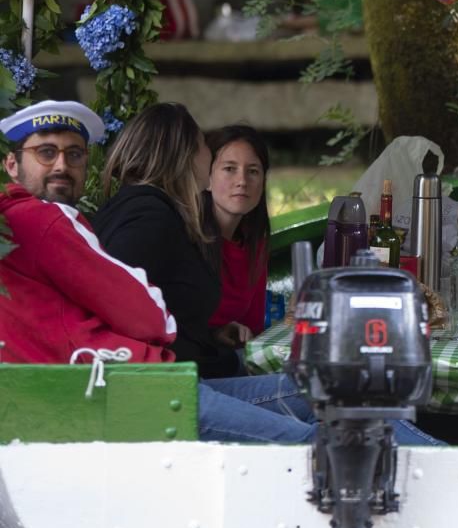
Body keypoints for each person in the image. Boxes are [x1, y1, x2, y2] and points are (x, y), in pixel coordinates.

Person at [0, 101, 314, 443]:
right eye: (46, 152)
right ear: (12, 164)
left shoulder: (33, 222)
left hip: (124, 383)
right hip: (131, 389)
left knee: (319, 401)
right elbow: (134, 305)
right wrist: (167, 326)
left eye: (74, 155)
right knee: (311, 441)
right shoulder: (53, 219)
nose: (62, 165)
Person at [93, 103, 244, 379]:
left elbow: (161, 304)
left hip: (192, 372)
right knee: (310, 396)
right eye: (203, 143)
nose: (209, 154)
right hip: (167, 389)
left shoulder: (150, 211)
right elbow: (114, 307)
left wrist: (208, 335)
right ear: (184, 155)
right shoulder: (149, 218)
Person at [203, 125, 269, 339]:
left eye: (253, 171)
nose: (242, 181)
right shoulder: (186, 236)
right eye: (229, 169)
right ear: (207, 178)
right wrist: (213, 334)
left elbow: (253, 329)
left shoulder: (255, 245)